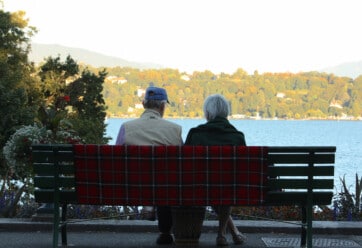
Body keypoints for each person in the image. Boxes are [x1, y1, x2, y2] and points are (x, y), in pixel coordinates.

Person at [116, 86, 183, 245]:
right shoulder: (175, 130)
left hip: (131, 189)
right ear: (162, 106)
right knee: (166, 181)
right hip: (165, 190)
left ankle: (151, 209)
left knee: (159, 182)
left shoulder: (126, 128)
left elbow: (116, 160)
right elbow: (182, 165)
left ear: (143, 104)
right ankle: (166, 231)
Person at [184, 94, 247, 246]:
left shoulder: (195, 134)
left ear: (207, 113)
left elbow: (185, 166)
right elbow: (242, 170)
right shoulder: (237, 137)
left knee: (210, 181)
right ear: (226, 113)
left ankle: (228, 233)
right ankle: (223, 234)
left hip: (198, 187)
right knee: (224, 183)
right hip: (229, 188)